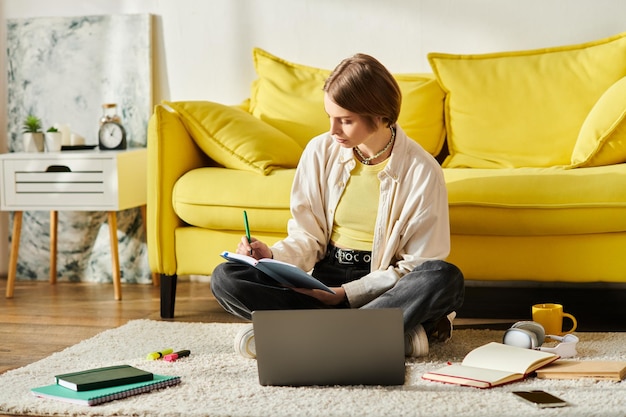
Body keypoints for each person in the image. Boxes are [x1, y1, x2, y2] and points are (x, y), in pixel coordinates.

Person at [211, 53, 464, 358]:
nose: (333, 130)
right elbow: (308, 236)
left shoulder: (422, 171)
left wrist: (346, 295)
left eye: (345, 120)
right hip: (322, 280)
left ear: (380, 115)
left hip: (382, 285)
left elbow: (416, 267)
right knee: (226, 277)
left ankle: (305, 333)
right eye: (330, 116)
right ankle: (377, 333)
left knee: (443, 278)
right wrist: (272, 256)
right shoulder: (320, 151)